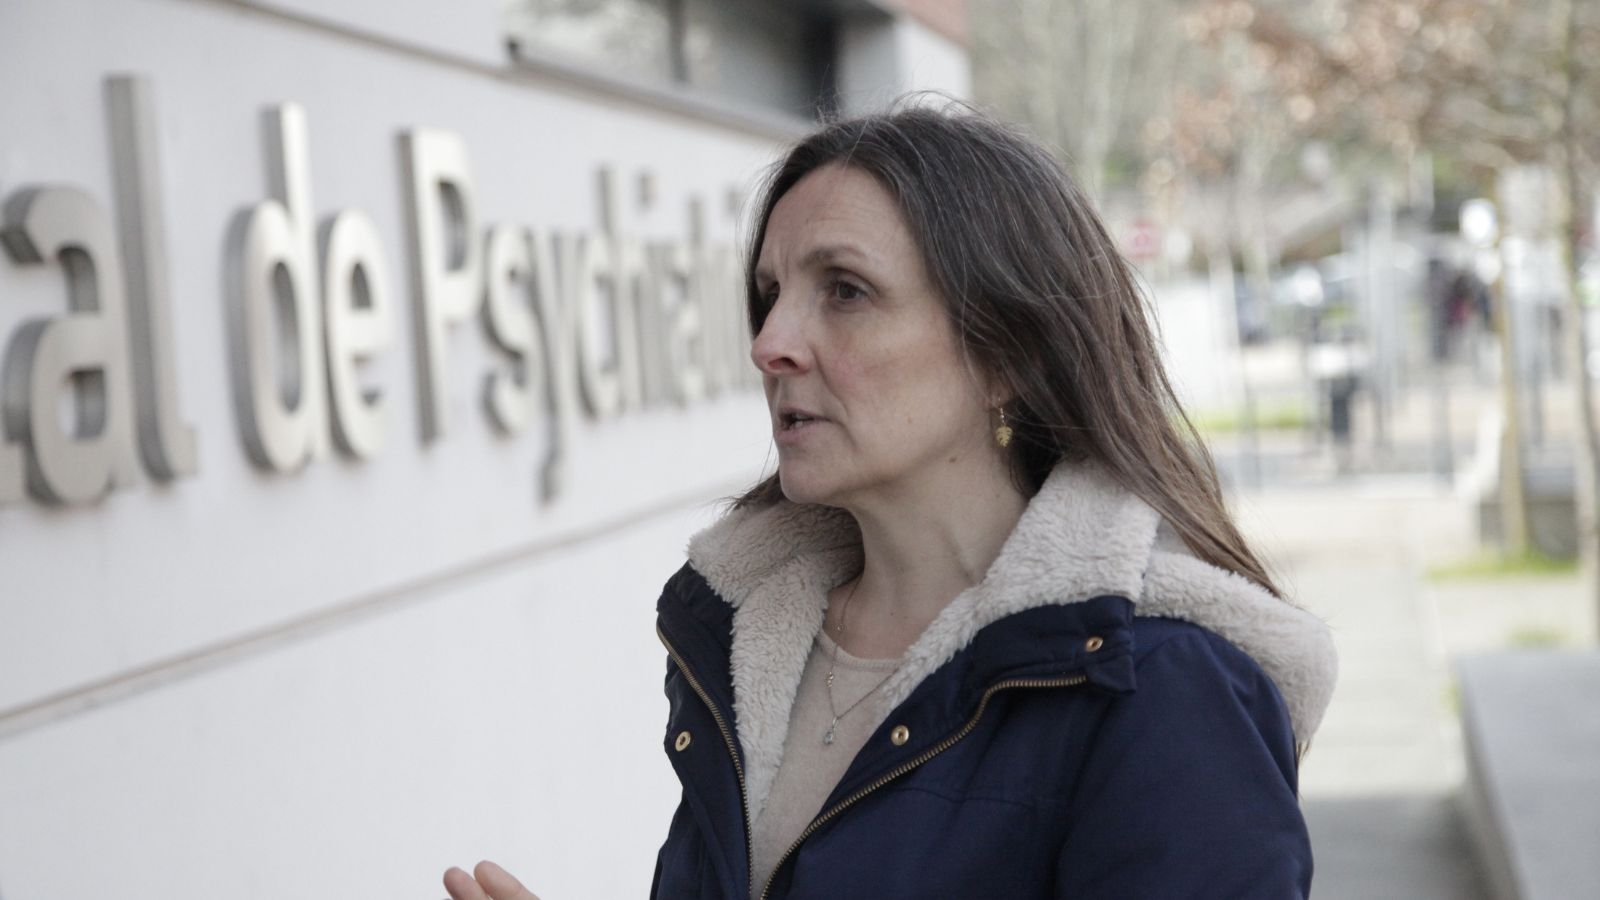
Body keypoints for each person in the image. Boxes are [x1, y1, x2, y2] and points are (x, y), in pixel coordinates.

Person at [443, 102, 1337, 900]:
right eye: (769, 296)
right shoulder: (742, 641)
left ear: (1007, 354)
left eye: (846, 291)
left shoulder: (1162, 690)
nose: (772, 343)